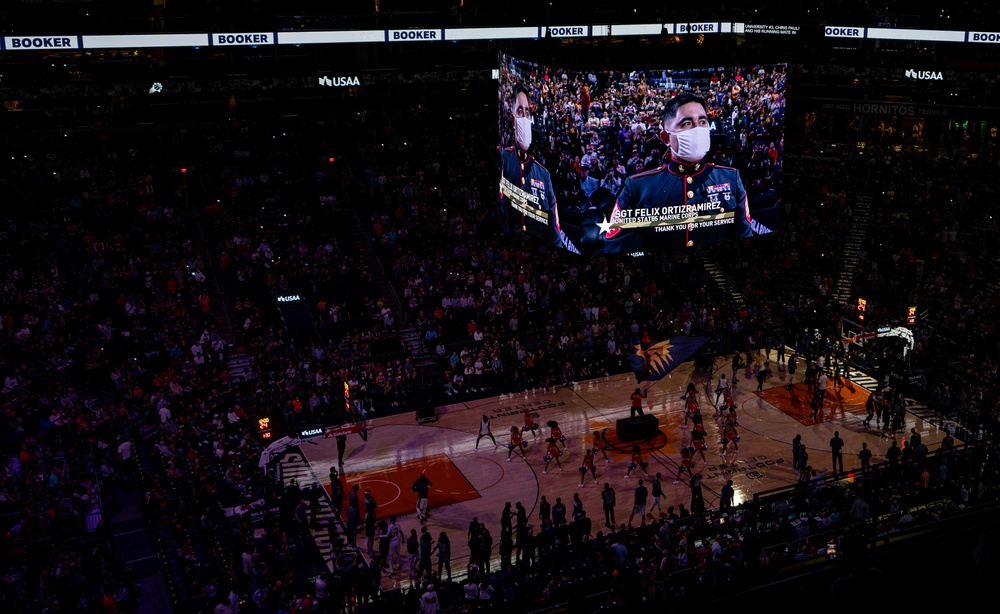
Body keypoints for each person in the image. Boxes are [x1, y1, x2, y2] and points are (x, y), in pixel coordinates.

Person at [603, 92, 754, 252]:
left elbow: (744, 243)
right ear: (665, 137)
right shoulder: (637, 188)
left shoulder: (731, 178)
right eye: (687, 124)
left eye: (702, 121)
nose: (698, 129)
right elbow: (619, 249)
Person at [500, 84, 572, 250]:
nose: (524, 116)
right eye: (520, 111)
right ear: (512, 119)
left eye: (527, 112)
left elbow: (554, 225)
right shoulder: (506, 157)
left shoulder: (543, 173)